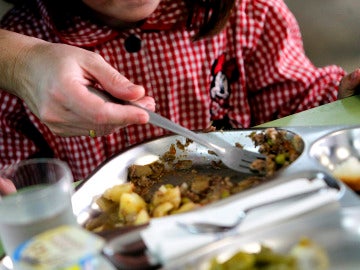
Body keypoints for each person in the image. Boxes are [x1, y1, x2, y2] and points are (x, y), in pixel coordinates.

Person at [0, 0, 359, 181]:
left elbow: (298, 101)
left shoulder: (251, 12)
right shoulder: (22, 43)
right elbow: (20, 172)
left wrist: (341, 98)